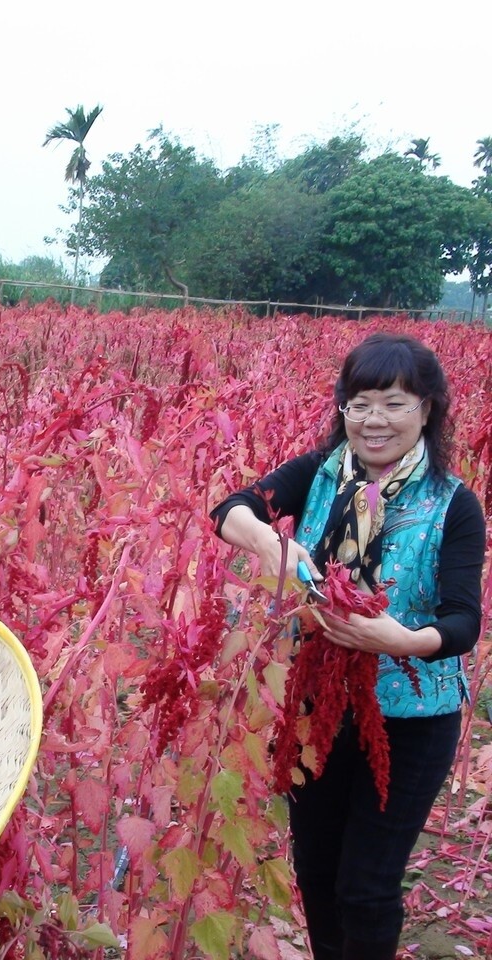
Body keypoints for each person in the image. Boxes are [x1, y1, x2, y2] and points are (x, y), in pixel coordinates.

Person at [210, 332, 485, 960]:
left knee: (366, 885)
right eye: (359, 404)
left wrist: (401, 640)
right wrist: (270, 543)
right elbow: (232, 509)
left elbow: (464, 621)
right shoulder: (320, 474)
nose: (373, 420)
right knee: (317, 874)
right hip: (313, 708)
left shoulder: (452, 505)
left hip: (412, 722)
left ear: (427, 409)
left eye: (393, 403)